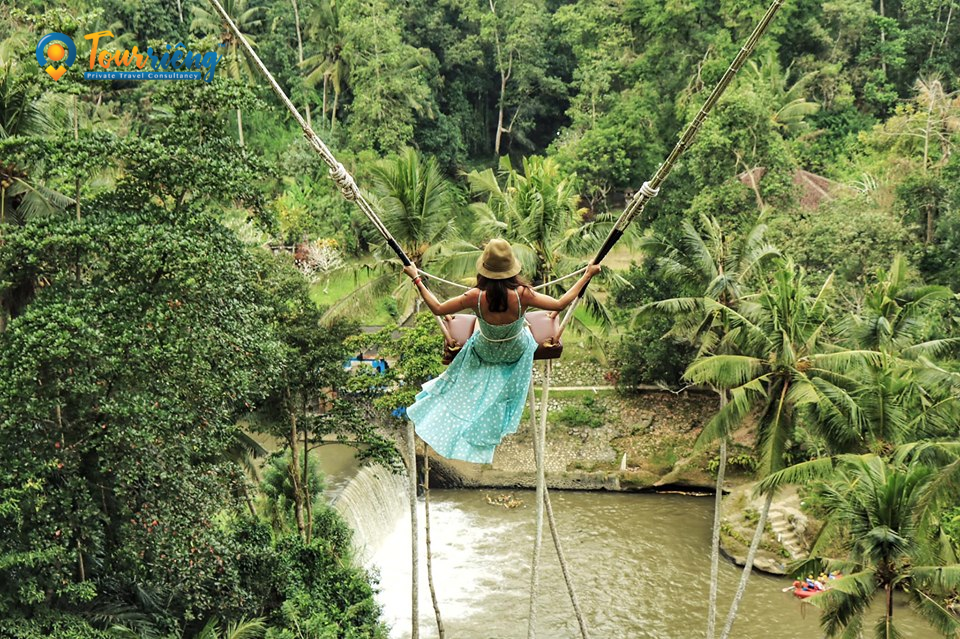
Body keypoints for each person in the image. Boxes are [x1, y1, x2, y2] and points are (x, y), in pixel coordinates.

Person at [401, 238, 601, 463]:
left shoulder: (476, 296)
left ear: (483, 270)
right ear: (512, 269)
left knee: (478, 325)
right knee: (523, 326)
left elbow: (438, 308)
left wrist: (416, 278)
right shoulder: (522, 294)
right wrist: (587, 275)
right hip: (515, 351)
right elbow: (560, 304)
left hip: (486, 351)